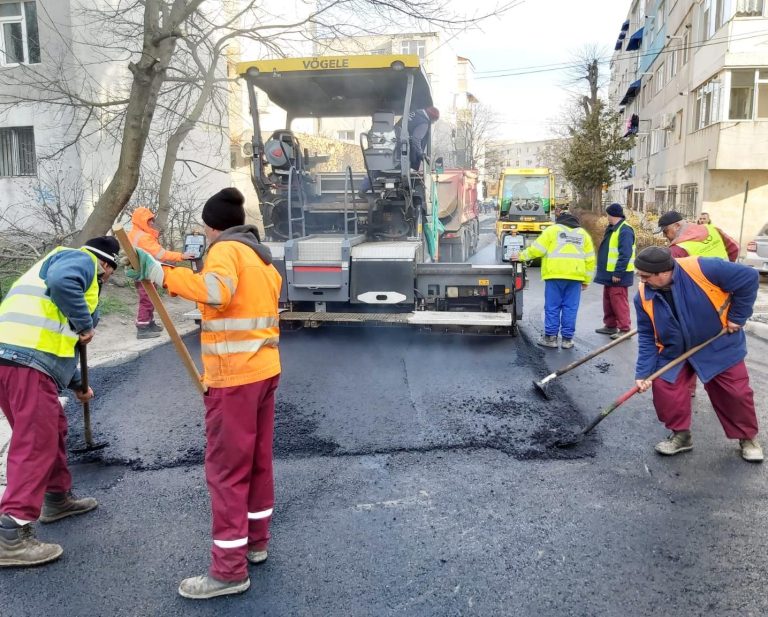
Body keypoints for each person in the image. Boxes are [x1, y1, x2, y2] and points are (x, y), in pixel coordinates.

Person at [127, 187, 281, 600]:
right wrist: (175, 279)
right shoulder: (260, 258)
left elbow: (215, 292)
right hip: (264, 371)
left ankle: (229, 571)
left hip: (234, 378)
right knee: (256, 462)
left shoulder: (225, 251)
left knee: (227, 471)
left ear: (212, 228)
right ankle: (255, 541)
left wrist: (159, 274)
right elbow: (227, 302)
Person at [0, 236, 119, 567]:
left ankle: (56, 498)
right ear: (106, 265)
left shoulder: (57, 262)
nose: (105, 280)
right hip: (26, 363)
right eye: (108, 274)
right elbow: (62, 284)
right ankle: (11, 533)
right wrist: (84, 323)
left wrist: (78, 384)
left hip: (15, 361)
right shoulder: (81, 261)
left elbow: (54, 338)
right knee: (35, 440)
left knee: (50, 428)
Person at [633, 246, 762, 462]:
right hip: (675, 349)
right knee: (665, 387)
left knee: (735, 394)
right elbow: (647, 335)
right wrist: (643, 372)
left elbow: (749, 278)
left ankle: (747, 438)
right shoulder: (643, 295)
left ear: (663, 272)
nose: (642, 281)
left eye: (646, 276)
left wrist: (738, 317)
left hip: (718, 342)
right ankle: (681, 436)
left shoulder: (702, 268)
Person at [516, 211, 596, 349]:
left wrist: (521, 256)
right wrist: (586, 281)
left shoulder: (552, 230)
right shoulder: (583, 235)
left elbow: (537, 250)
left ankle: (551, 338)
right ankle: (567, 340)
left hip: (555, 276)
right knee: (570, 308)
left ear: (559, 221)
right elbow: (590, 260)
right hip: (575, 278)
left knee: (552, 307)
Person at [127, 207, 194, 339]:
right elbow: (161, 254)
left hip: (140, 270)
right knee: (147, 299)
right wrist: (182, 256)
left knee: (150, 298)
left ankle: (149, 322)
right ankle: (142, 328)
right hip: (146, 272)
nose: (152, 223)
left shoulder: (133, 234)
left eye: (152, 220)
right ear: (141, 221)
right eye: (149, 220)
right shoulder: (144, 237)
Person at [359, 106, 440, 196]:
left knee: (377, 167)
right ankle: (404, 196)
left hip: (391, 151)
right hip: (403, 155)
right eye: (434, 121)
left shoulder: (412, 113)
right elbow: (416, 140)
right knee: (405, 174)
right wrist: (421, 154)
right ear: (432, 118)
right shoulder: (424, 123)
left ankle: (363, 189)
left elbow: (397, 128)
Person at [594, 203, 636, 340]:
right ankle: (610, 325)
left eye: (608, 215)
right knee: (608, 300)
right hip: (610, 273)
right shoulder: (614, 228)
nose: (607, 218)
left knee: (619, 301)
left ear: (612, 215)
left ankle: (625, 329)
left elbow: (625, 254)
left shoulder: (624, 230)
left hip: (618, 275)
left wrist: (618, 273)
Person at [655, 210, 738, 261]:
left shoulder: (677, 250)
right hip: (725, 287)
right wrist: (727, 270)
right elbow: (735, 248)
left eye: (665, 231)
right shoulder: (712, 229)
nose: (665, 236)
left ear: (677, 226)